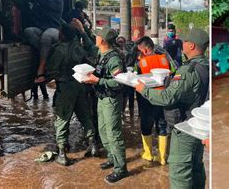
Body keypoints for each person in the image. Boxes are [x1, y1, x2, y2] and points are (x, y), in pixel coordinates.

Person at [133, 28, 209, 189]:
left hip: (185, 127)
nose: (182, 44)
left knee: (179, 173)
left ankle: (152, 154)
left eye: (185, 42)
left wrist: (143, 90)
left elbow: (167, 97)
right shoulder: (206, 65)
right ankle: (161, 156)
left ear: (192, 46)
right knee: (196, 166)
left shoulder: (188, 70)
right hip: (200, 126)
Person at [45, 22, 99, 166]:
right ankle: (92, 145)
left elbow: (51, 71)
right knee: (85, 117)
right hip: (80, 86)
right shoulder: (78, 48)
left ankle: (62, 153)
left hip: (66, 88)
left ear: (62, 35)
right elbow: (92, 53)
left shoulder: (58, 50)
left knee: (62, 119)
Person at [82, 26, 128, 183]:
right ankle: (112, 157)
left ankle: (121, 168)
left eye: (97, 36)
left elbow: (120, 83)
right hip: (101, 98)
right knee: (102, 131)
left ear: (102, 40)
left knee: (114, 134)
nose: (95, 38)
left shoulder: (113, 59)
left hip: (111, 100)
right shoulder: (101, 53)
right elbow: (89, 44)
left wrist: (98, 80)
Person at [135, 36, 171, 166]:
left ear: (144, 50)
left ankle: (148, 154)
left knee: (146, 126)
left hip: (147, 99)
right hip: (163, 97)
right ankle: (162, 157)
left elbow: (135, 80)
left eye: (139, 50)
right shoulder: (164, 58)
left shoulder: (141, 63)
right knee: (162, 125)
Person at [23, 0, 63, 84]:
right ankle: (48, 57)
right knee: (28, 31)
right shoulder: (41, 1)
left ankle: (41, 68)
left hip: (54, 30)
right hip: (40, 29)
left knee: (47, 36)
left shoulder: (58, 1)